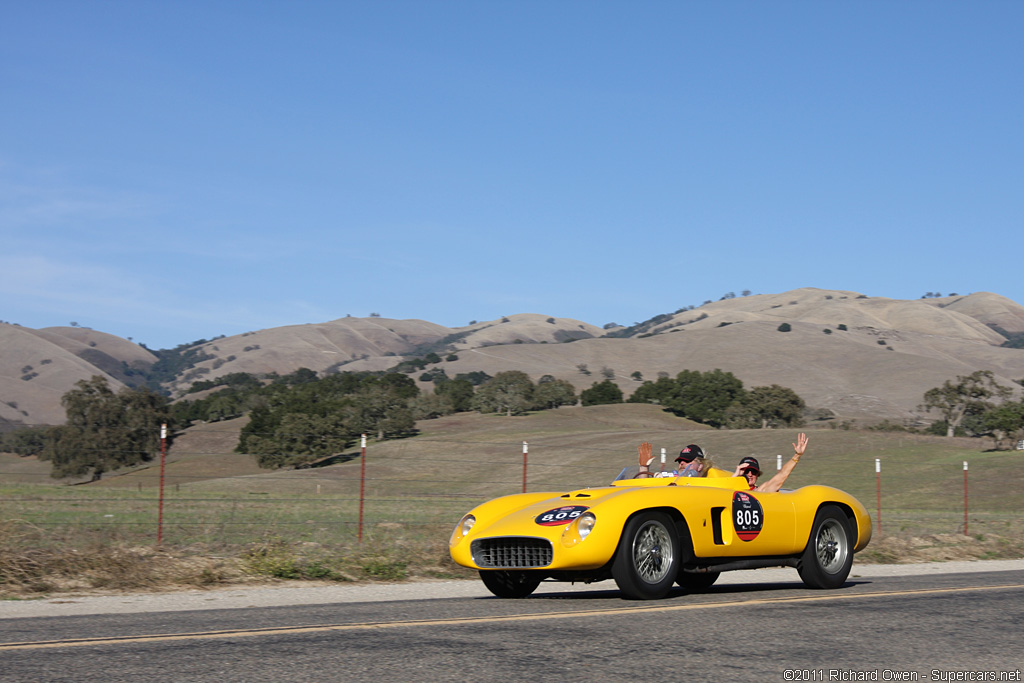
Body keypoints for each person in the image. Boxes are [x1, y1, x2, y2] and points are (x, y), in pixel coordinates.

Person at [733, 432, 809, 493]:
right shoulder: (731, 489)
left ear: (757, 475)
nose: (750, 474)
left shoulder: (760, 491)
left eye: (753, 472)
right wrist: (736, 475)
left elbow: (781, 476)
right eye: (746, 471)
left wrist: (797, 456)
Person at [636, 442, 707, 478]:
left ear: (700, 466)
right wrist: (644, 467)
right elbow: (645, 489)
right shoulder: (673, 479)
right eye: (680, 461)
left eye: (687, 461)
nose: (682, 463)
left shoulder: (708, 484)